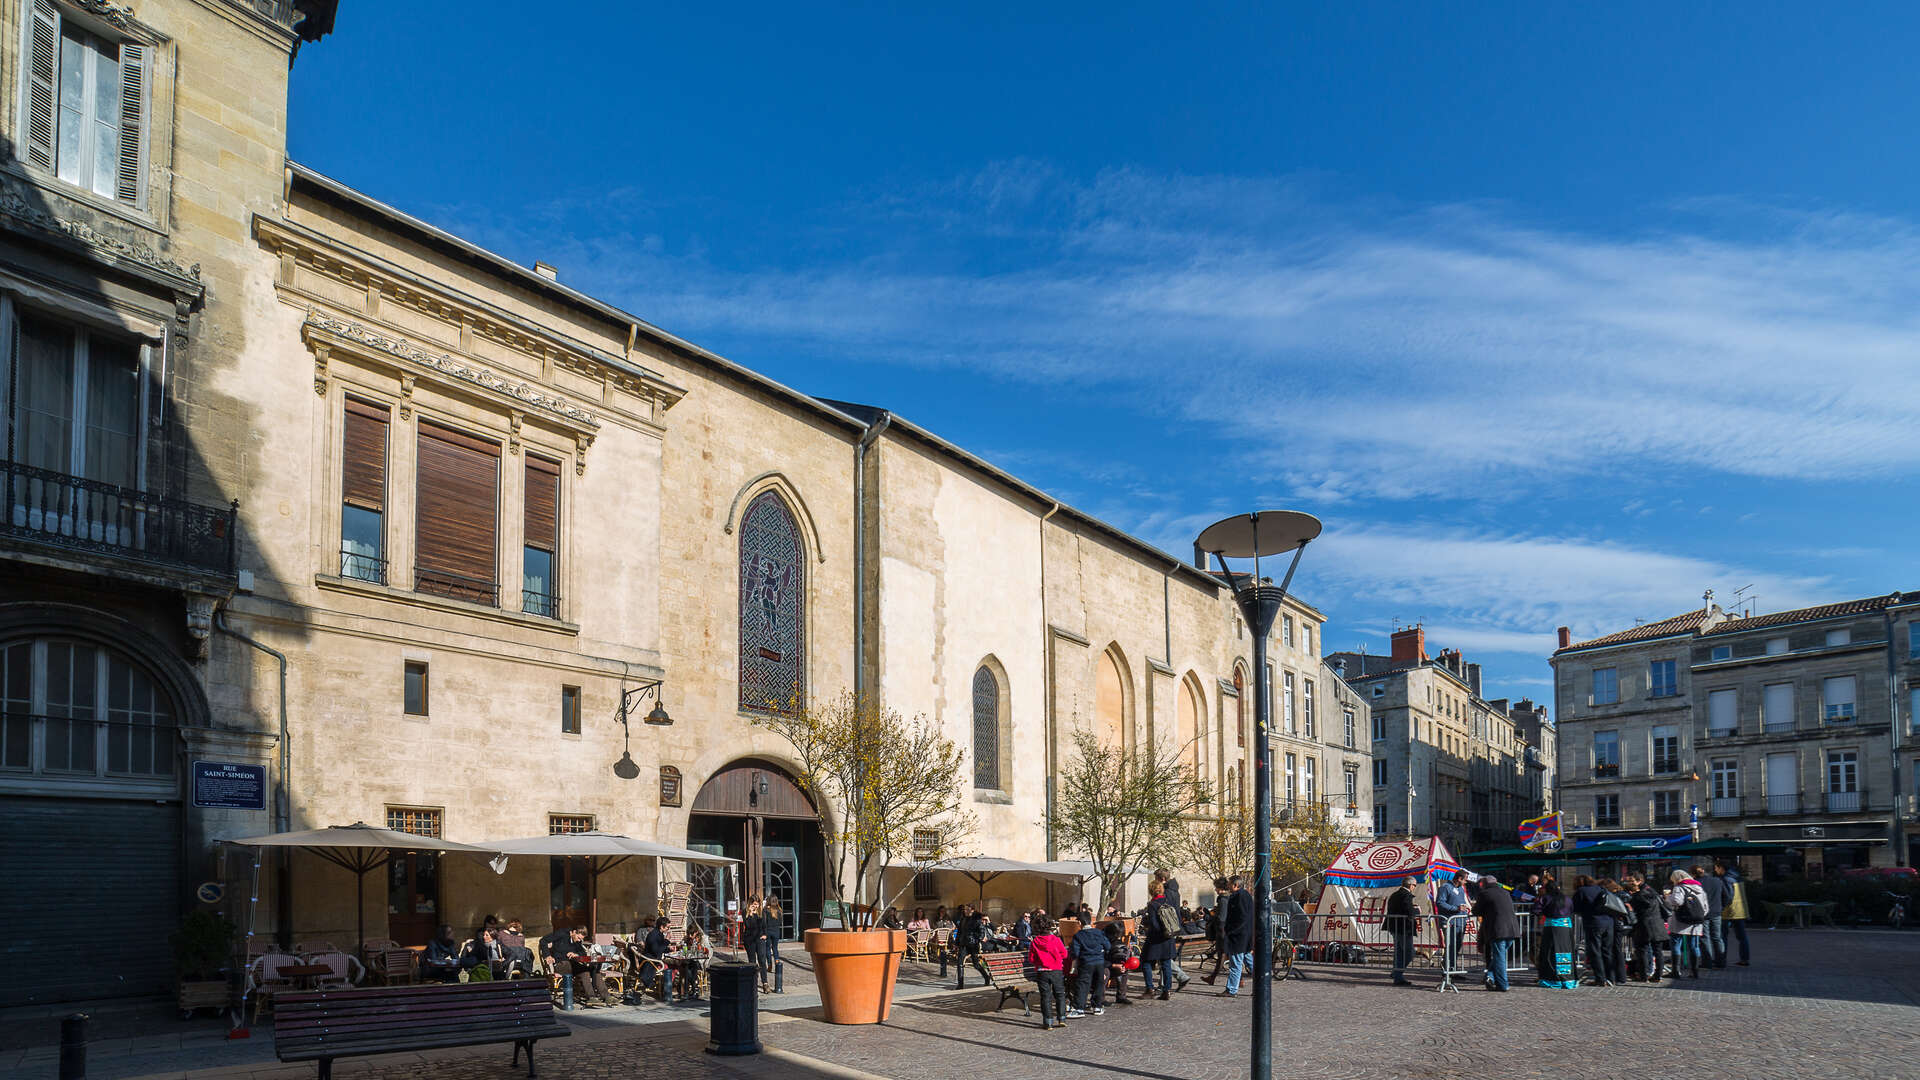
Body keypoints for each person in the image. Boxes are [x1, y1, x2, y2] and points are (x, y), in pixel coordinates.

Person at [1472, 872, 1520, 992]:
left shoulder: (1485, 894)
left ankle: (1503, 985)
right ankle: (1490, 976)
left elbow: (1476, 911)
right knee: (1500, 956)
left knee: (1500, 958)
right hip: (1512, 929)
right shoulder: (1505, 892)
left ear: (1486, 884)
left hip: (1498, 930)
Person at [1570, 874, 1615, 987]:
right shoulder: (1600, 888)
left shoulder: (1581, 891)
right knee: (1607, 951)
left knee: (1595, 951)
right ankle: (1611, 977)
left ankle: (1600, 978)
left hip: (1593, 923)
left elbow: (1575, 907)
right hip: (1608, 922)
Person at [1664, 869, 1708, 979]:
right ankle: (1694, 971)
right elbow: (1705, 908)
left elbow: (1677, 901)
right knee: (1694, 946)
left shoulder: (1679, 887)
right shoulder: (1700, 888)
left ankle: (1676, 971)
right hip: (1696, 923)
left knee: (1676, 944)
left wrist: (1667, 898)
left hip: (1680, 921)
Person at [554, 925, 614, 1006]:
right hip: (563, 965)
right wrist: (567, 954)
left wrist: (576, 954)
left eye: (581, 939)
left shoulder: (577, 943)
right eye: (579, 938)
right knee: (586, 971)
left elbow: (583, 953)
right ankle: (591, 997)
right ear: (574, 932)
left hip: (574, 966)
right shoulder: (562, 940)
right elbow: (557, 954)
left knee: (594, 971)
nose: (579, 940)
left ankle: (605, 997)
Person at [1027, 916, 1069, 1029]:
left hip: (1042, 972)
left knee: (1045, 997)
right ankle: (1061, 1018)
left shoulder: (1035, 941)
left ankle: (1048, 1022)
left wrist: (1039, 962)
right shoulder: (1056, 939)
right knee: (1060, 994)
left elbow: (1031, 959)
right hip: (1056, 970)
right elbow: (1064, 954)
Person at [1534, 879, 1578, 989]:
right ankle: (1568, 979)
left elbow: (1536, 910)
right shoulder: (1567, 898)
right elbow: (1572, 909)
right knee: (1566, 951)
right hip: (1566, 927)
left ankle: (1553, 979)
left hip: (1552, 927)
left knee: (1550, 952)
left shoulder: (1545, 898)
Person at [1626, 873, 1669, 983]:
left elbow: (1633, 912)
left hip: (1643, 926)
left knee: (1642, 951)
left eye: (1631, 881)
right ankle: (1658, 975)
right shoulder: (1652, 893)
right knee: (1658, 951)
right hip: (1657, 924)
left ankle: (1643, 975)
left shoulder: (1636, 898)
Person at [1140, 881, 1180, 999]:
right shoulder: (1169, 901)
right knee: (1166, 963)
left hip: (1156, 939)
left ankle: (1150, 989)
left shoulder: (1153, 904)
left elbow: (1154, 924)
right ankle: (1166, 991)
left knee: (1145, 962)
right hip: (1169, 937)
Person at [1218, 873, 1255, 997]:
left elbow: (1242, 917)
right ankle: (1261, 983)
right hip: (1243, 935)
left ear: (1235, 885)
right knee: (1248, 961)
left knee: (1235, 963)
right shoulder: (1244, 896)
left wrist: (1231, 931)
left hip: (1239, 936)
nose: (1227, 886)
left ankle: (1231, 989)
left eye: (1229, 884)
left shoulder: (1241, 897)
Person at [1156, 870, 1193, 990]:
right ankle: (1163, 984)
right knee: (1163, 955)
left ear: (1162, 879)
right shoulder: (1174, 891)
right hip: (1174, 926)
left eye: (1156, 878)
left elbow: (1164, 910)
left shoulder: (1166, 892)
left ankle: (1181, 976)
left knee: (1163, 956)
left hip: (1167, 927)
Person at [1067, 915, 1109, 1016]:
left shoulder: (1078, 935)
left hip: (1086, 962)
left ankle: (1079, 1008)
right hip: (1099, 962)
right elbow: (1107, 946)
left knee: (1083, 985)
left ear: (1080, 923)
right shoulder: (1099, 932)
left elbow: (1076, 953)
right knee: (1098, 984)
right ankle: (1097, 1007)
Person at [1384, 876, 1419, 987]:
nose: (1414, 887)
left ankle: (1397, 975)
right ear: (1410, 885)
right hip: (1403, 928)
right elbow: (1409, 912)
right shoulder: (1406, 895)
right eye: (1415, 885)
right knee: (1409, 952)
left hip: (1394, 926)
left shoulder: (1394, 894)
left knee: (1399, 952)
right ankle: (1397, 973)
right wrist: (1417, 910)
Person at [1598, 877, 1633, 985]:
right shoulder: (1623, 894)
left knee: (1614, 949)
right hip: (1621, 924)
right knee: (1617, 949)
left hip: (1615, 923)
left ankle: (1617, 976)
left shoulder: (1612, 895)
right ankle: (1620, 976)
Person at [1694, 863, 1729, 969]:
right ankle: (1721, 962)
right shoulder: (1718, 881)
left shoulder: (1697, 883)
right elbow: (1727, 896)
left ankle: (1707, 962)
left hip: (1703, 913)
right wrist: (1721, 907)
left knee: (1705, 938)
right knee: (1717, 937)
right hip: (1716, 912)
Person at [1716, 860, 1751, 967]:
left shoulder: (1726, 879)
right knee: (1742, 936)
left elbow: (1728, 896)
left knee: (1723, 936)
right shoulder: (1737, 877)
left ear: (1721, 868)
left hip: (1729, 911)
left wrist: (1721, 907)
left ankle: (1722, 959)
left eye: (1716, 868)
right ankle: (1745, 959)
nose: (1715, 870)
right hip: (1740, 910)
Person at [1434, 870, 1469, 975]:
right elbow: (1440, 903)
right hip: (1450, 922)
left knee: (1457, 947)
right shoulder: (1445, 887)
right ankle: (1448, 970)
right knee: (1451, 946)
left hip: (1461, 922)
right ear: (1459, 879)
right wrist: (1456, 908)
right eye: (1465, 880)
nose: (1466, 882)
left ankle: (1452, 969)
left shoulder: (1461, 889)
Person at [954, 903, 990, 988]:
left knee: (976, 964)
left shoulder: (977, 919)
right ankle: (960, 984)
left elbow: (981, 932)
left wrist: (976, 939)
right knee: (959, 963)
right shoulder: (963, 919)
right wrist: (956, 943)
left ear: (972, 910)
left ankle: (986, 977)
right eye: (965, 909)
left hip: (973, 944)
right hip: (964, 944)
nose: (965, 911)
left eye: (967, 909)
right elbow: (959, 932)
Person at [637, 916, 672, 997]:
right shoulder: (654, 935)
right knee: (670, 968)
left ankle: (667, 989)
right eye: (667, 927)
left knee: (676, 966)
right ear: (661, 926)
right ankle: (666, 991)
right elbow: (656, 951)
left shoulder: (658, 933)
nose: (668, 929)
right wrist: (667, 940)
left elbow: (661, 948)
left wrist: (669, 949)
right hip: (651, 962)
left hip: (653, 960)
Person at [1102, 918, 1135, 1004]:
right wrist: (1113, 965)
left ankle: (1121, 996)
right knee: (1105, 972)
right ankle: (1100, 998)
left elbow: (1123, 957)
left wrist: (1124, 965)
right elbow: (1099, 960)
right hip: (1103, 966)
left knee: (1124, 971)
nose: (1120, 937)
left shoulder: (1118, 942)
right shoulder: (1102, 942)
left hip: (1114, 964)